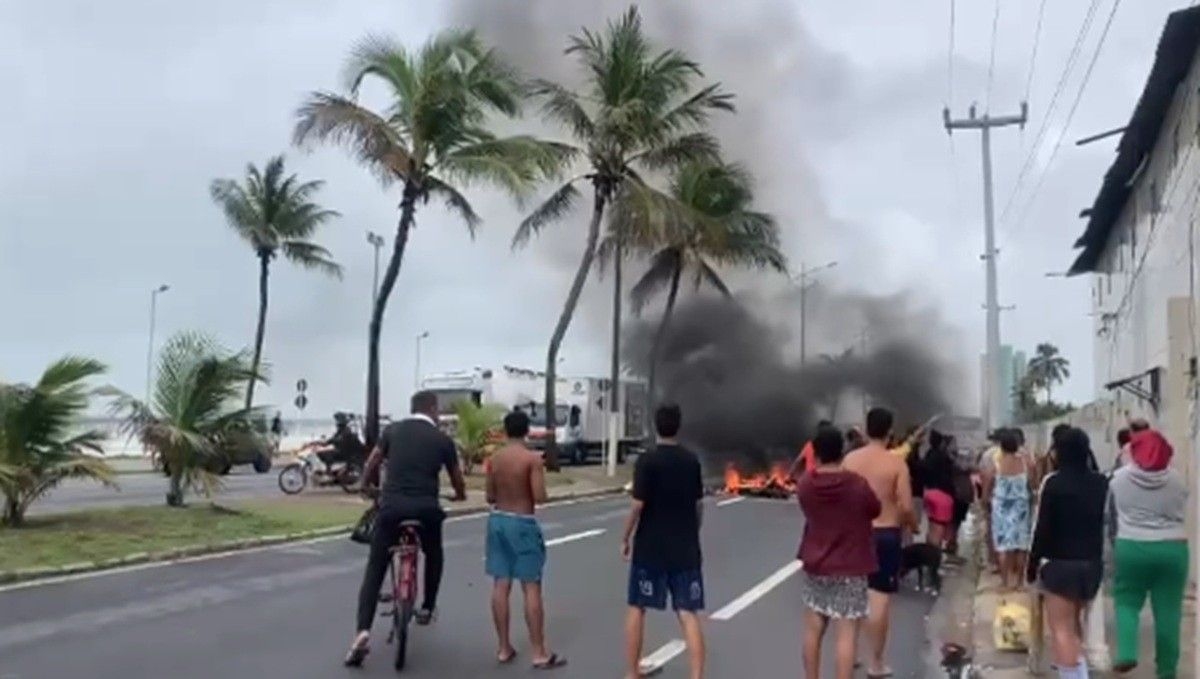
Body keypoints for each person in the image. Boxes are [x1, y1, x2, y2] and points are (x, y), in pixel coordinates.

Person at [344, 391, 467, 667]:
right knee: (434, 552)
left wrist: (365, 485)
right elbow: (457, 478)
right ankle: (426, 607)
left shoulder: (392, 431)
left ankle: (363, 631)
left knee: (376, 566)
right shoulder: (442, 440)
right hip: (426, 509)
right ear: (432, 409)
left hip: (392, 508)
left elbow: (373, 461)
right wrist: (460, 495)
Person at [621, 404, 705, 679]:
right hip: (685, 549)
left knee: (637, 607)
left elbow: (637, 505)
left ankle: (632, 672)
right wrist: (693, 532)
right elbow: (698, 506)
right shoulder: (691, 461)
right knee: (687, 612)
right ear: (678, 426)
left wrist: (626, 537)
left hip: (650, 549)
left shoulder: (647, 461)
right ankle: (696, 676)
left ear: (655, 425)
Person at [797, 424, 881, 679]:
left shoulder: (806, 485)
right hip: (851, 567)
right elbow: (874, 509)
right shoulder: (856, 484)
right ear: (842, 452)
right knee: (846, 634)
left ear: (817, 454)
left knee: (813, 628)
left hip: (816, 565)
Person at [484, 410, 566, 670]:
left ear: (506, 431)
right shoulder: (531, 459)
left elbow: (489, 496)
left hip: (497, 520)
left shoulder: (494, 459)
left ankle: (503, 647)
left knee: (501, 583)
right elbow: (539, 497)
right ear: (527, 431)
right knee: (531, 587)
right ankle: (539, 652)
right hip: (522, 523)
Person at [1027, 427, 1107, 679]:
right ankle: (1080, 672)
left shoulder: (1053, 483)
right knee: (1075, 630)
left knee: (1061, 631)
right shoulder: (1101, 483)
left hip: (1060, 567)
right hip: (1091, 567)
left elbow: (1043, 528)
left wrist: (1032, 564)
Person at [1108, 429, 1188, 677]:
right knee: (1168, 612)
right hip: (1173, 548)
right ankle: (1166, 671)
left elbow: (1111, 513)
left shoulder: (1118, 479)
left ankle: (1127, 652)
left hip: (1132, 546)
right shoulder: (1177, 480)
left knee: (1127, 601)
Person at [843, 407, 915, 679]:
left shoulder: (850, 461)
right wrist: (911, 524)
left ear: (866, 427)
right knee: (879, 598)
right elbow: (907, 506)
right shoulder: (896, 464)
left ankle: (848, 657)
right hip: (886, 533)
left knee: (852, 596)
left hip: (854, 534)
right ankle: (876, 662)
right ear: (889, 431)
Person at [984, 429, 1033, 591]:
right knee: (1021, 544)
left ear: (1002, 447)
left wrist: (986, 502)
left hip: (1001, 508)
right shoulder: (1025, 464)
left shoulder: (996, 465)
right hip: (1021, 507)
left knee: (1003, 545)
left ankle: (1005, 582)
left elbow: (987, 489)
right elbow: (1032, 485)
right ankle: (1019, 582)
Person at [921, 430, 957, 551]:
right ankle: (934, 556)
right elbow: (949, 476)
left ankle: (928, 552)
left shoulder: (928, 455)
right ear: (941, 443)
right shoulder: (943, 457)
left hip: (929, 492)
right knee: (939, 528)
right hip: (942, 495)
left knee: (931, 525)